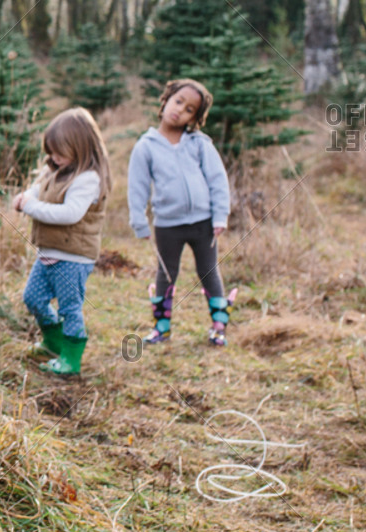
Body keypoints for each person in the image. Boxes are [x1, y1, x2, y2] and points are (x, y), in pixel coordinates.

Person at [127, 78, 236, 347]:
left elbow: (217, 180)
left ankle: (218, 326)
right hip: (168, 224)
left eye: (189, 109)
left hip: (203, 222)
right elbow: (137, 187)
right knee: (166, 273)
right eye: (178, 102)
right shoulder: (146, 146)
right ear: (165, 100)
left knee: (209, 270)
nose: (180, 110)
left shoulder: (200, 144)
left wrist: (220, 215)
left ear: (194, 118)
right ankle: (161, 328)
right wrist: (139, 222)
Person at [14, 108, 112, 377]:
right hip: (48, 253)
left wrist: (31, 207)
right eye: (51, 151)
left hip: (74, 257)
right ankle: (53, 342)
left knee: (70, 308)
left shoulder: (88, 179)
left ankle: (71, 357)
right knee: (33, 298)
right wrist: (25, 197)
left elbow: (70, 215)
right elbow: (38, 189)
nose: (53, 158)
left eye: (59, 152)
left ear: (80, 148)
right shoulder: (57, 169)